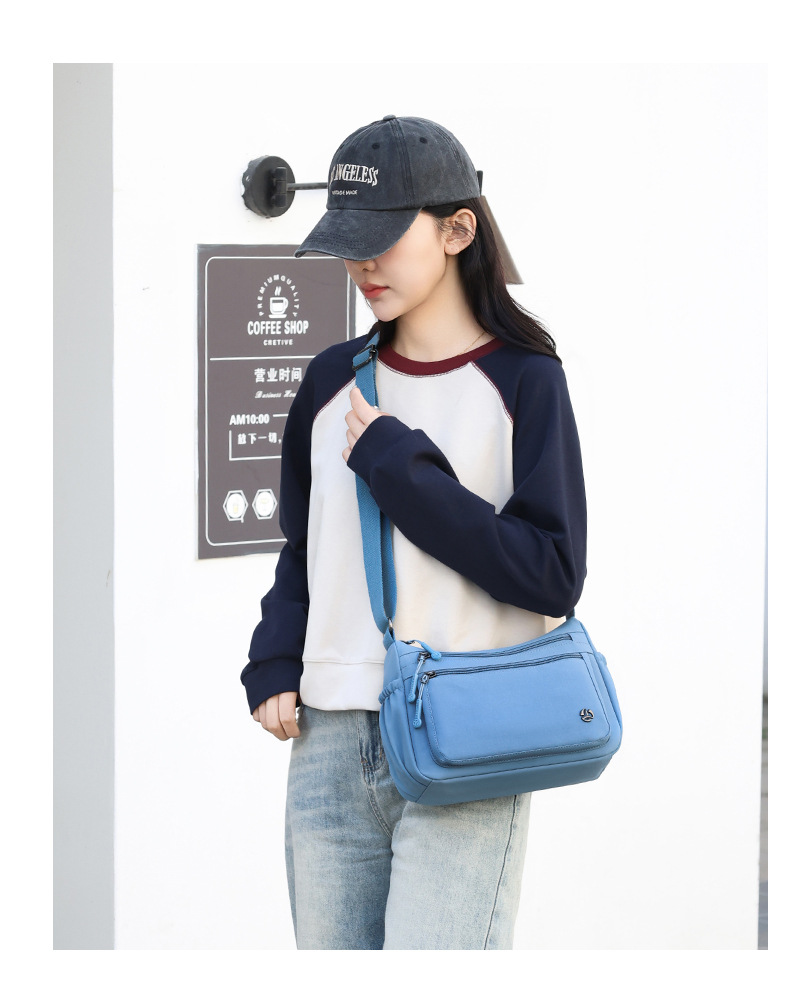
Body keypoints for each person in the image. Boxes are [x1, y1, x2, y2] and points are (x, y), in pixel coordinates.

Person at [240, 115, 587, 950]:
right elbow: (305, 544)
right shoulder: (331, 379)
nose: (362, 265)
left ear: (457, 231)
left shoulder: (525, 381)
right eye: (348, 245)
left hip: (468, 733)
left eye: (383, 241)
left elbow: (551, 572)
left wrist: (403, 471)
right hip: (328, 740)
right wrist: (275, 654)